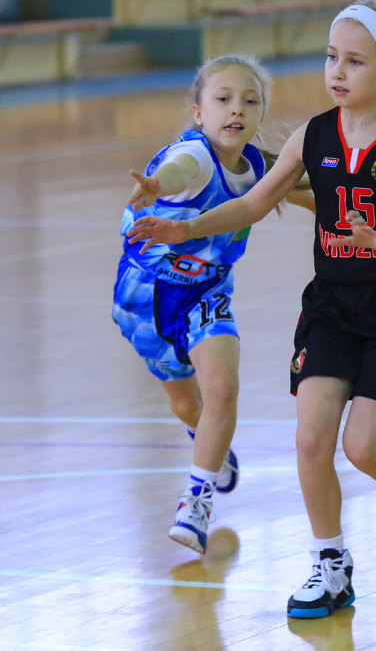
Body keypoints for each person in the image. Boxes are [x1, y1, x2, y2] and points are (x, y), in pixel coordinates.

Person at [125, 0, 376, 616]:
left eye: (354, 61)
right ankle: (330, 566)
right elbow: (252, 204)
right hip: (332, 306)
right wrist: (185, 228)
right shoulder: (313, 135)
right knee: (310, 442)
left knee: (363, 448)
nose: (337, 71)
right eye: (332, 57)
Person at [112, 53, 315, 556]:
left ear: (261, 114)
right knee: (187, 403)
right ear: (199, 113)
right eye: (223, 99)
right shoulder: (195, 156)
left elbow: (310, 194)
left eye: (250, 100)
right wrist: (158, 186)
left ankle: (196, 502)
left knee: (222, 388)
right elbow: (179, 171)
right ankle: (203, 437)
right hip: (145, 296)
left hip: (207, 292)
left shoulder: (259, 168)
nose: (236, 108)